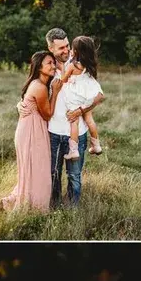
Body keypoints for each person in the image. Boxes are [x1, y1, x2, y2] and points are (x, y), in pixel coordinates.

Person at [44, 27, 105, 207]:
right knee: (54, 174)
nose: (66, 50)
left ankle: (72, 208)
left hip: (78, 132)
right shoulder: (46, 68)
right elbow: (34, 93)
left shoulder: (80, 63)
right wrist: (22, 105)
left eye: (67, 45)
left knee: (75, 175)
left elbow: (98, 95)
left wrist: (80, 110)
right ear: (51, 49)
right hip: (54, 132)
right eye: (61, 48)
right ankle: (54, 207)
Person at [2, 51, 58, 213]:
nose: (53, 66)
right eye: (49, 63)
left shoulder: (38, 84)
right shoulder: (39, 87)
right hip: (31, 133)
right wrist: (55, 92)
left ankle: (28, 205)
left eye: (54, 63)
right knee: (38, 172)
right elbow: (47, 114)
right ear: (39, 66)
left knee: (34, 172)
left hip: (33, 130)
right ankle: (35, 209)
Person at [60, 36, 104, 158]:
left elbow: (63, 80)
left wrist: (64, 72)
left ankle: (73, 150)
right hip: (87, 96)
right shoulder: (90, 65)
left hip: (76, 97)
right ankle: (96, 145)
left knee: (74, 122)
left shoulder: (73, 66)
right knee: (89, 119)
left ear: (76, 51)